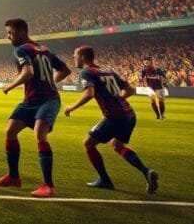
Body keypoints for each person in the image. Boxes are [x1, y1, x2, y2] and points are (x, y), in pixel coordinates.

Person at [0, 19, 71, 198]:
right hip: (31, 101)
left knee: (39, 134)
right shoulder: (44, 49)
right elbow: (65, 70)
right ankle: (13, 177)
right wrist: (49, 82)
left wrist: (9, 86)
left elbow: (28, 73)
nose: (8, 37)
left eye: (10, 33)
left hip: (48, 100)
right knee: (10, 131)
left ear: (21, 31)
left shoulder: (21, 49)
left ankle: (48, 185)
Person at [64, 46, 159, 194]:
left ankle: (105, 180)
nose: (73, 58)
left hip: (115, 117)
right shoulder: (109, 70)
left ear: (82, 57)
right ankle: (147, 172)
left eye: (75, 55)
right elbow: (131, 90)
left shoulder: (86, 72)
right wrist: (118, 100)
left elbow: (89, 93)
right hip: (129, 115)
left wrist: (71, 107)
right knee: (117, 145)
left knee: (88, 143)